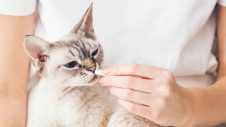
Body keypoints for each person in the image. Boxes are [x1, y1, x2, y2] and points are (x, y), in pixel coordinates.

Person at [0, 0, 226, 126]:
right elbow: (8, 90)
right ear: (41, 59)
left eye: (94, 54)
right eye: (72, 64)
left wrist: (190, 108)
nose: (89, 67)